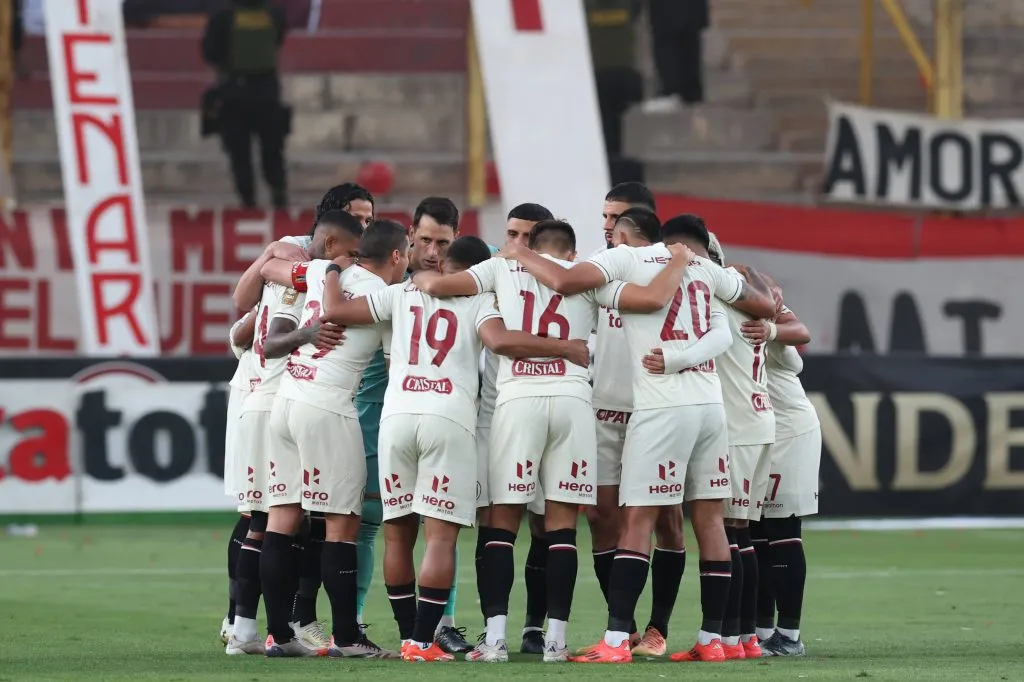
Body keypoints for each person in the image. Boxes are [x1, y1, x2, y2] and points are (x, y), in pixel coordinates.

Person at [505, 209, 776, 663]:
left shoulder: (626, 259)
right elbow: (758, 308)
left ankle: (615, 643)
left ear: (628, 235)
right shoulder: (701, 265)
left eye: (615, 234)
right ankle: (714, 641)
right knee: (709, 521)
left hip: (661, 406)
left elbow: (568, 283)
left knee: (637, 520)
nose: (610, 242)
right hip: (710, 406)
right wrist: (764, 321)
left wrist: (517, 252)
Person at [415, 218, 691, 661]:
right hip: (572, 402)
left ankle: (495, 640)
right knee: (562, 524)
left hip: (518, 402)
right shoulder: (587, 276)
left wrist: (425, 272)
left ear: (531, 244)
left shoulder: (500, 268)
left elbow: (440, 288)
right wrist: (677, 260)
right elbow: (648, 299)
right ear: (570, 249)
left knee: (502, 523)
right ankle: (556, 643)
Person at [319, 235, 590, 662]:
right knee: (439, 538)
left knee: (397, 534)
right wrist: (565, 347)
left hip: (397, 417)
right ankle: (424, 641)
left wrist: (333, 269)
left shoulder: (400, 293)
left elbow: (333, 311)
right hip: (448, 419)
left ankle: (409, 635)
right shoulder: (481, 301)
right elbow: (501, 343)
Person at [255, 213, 395, 658]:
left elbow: (271, 268)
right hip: (327, 406)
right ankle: (348, 639)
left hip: (287, 400)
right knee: (342, 523)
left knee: (282, 517)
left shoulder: (318, 271)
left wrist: (318, 260)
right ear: (397, 255)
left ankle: (279, 634)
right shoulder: (384, 294)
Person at [352, 197, 473, 654]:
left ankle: (436, 627)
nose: (433, 251)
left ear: (455, 240)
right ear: (410, 235)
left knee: (422, 526)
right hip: (392, 418)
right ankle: (394, 629)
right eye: (424, 240)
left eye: (442, 242)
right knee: (385, 526)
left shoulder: (405, 291)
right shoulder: (396, 285)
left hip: (403, 417)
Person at [225, 229, 341, 656]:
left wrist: (270, 257)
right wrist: (307, 335)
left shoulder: (274, 284)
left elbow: (239, 334)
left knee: (265, 520)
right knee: (276, 522)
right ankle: (277, 632)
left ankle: (245, 628)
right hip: (276, 404)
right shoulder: (300, 287)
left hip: (258, 400)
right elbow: (271, 342)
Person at [585, 184, 686, 658]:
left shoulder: (679, 266)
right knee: (603, 518)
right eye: (604, 216)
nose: (608, 226)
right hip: (603, 408)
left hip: (656, 407)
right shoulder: (598, 266)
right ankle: (619, 626)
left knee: (666, 519)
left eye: (616, 217)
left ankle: (657, 627)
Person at [475, 202, 555, 655]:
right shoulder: (491, 271)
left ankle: (533, 626)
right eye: (512, 234)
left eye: (528, 237)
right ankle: (494, 627)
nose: (518, 245)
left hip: (543, 409)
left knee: (545, 526)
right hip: (492, 416)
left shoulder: (566, 280)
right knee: (494, 524)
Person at [736, 270, 817, 659]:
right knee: (755, 534)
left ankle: (790, 635)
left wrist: (771, 325)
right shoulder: (717, 315)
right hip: (757, 432)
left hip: (789, 431)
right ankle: (763, 632)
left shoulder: (765, 320)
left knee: (783, 530)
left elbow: (800, 333)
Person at [202, 0, 289, 208]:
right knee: (272, 150)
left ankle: (248, 201)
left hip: (235, 91)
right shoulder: (273, 15)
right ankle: (279, 196)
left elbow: (210, 51)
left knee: (240, 153)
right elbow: (277, 40)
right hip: (267, 91)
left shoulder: (223, 17)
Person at [220, 309, 257, 647]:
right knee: (256, 510)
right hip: (259, 399)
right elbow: (236, 337)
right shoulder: (279, 284)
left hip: (288, 398)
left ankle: (238, 619)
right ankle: (237, 616)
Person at [643, 0, 709, 112]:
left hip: (667, 12)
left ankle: (672, 92)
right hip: (689, 12)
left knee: (669, 45)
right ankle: (690, 93)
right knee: (688, 43)